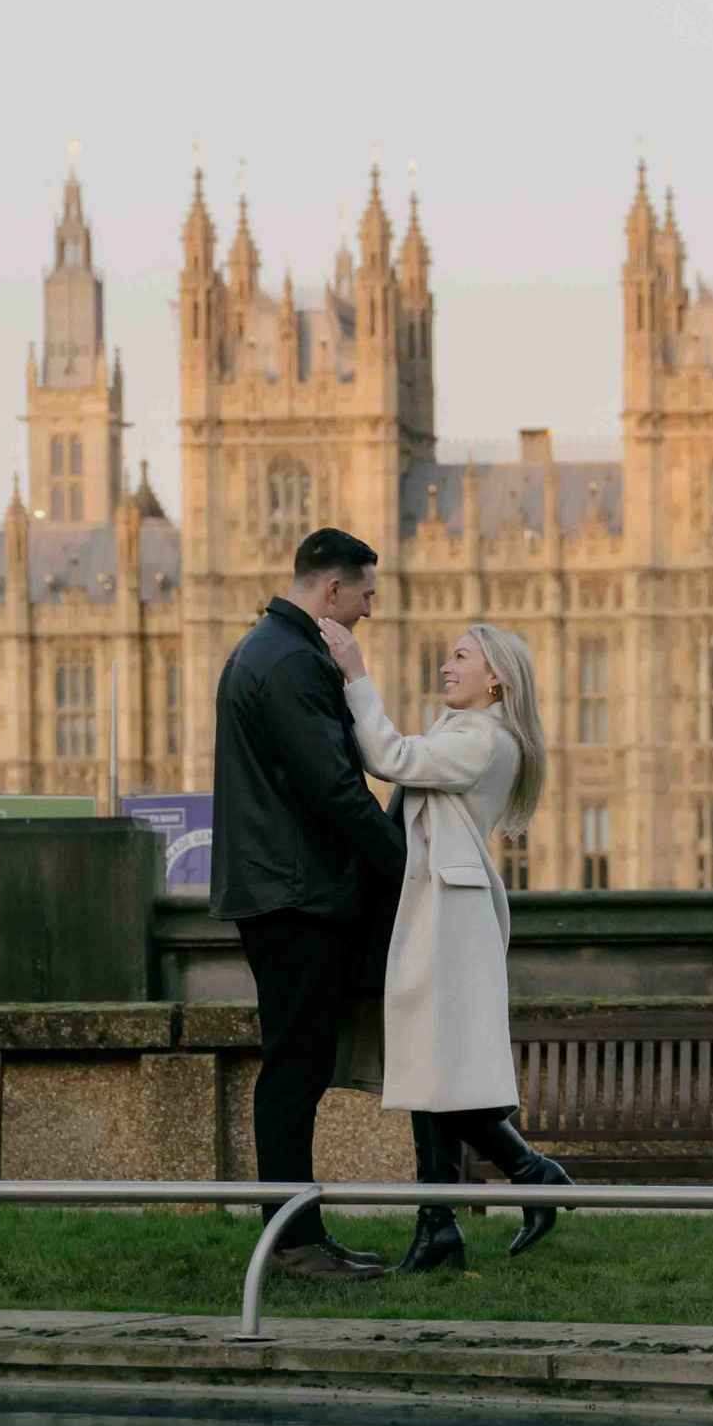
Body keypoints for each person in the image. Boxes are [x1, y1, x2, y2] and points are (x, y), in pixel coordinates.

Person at [314, 612, 570, 1272]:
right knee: (427, 1068)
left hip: (446, 918)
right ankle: (439, 1227)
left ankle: (532, 1172)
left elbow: (390, 758)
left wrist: (356, 675)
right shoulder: (464, 730)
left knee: (436, 1072)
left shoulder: (486, 739)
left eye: (460, 658)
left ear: (496, 681)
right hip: (425, 908)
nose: (446, 666)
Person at [209, 525, 408, 1283]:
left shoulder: (267, 648)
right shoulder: (291, 660)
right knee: (294, 1072)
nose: (367, 611)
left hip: (278, 887)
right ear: (332, 589)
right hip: (295, 893)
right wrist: (404, 863)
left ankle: (302, 1232)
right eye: (363, 595)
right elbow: (333, 788)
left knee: (298, 1067)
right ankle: (291, 1243)